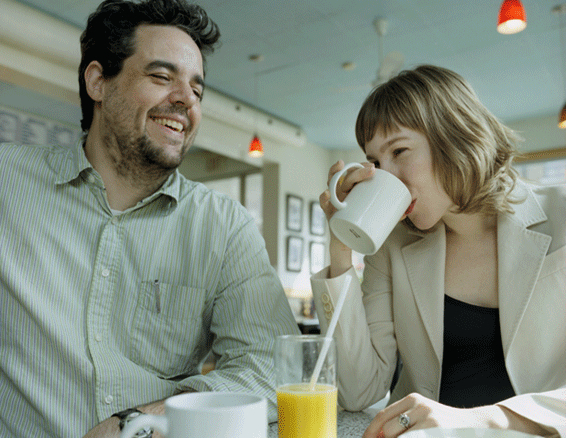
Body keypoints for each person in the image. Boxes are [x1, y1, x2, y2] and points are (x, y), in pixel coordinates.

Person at [0, 1, 299, 437]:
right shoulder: (8, 183)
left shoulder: (224, 226)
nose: (184, 99)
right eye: (161, 77)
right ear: (98, 82)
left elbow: (274, 367)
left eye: (196, 90)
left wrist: (143, 420)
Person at [311, 65, 566, 438]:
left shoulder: (561, 216)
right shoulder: (393, 245)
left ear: (456, 137)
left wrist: (484, 419)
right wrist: (340, 243)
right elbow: (358, 390)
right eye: (377, 163)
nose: (388, 176)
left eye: (400, 150)